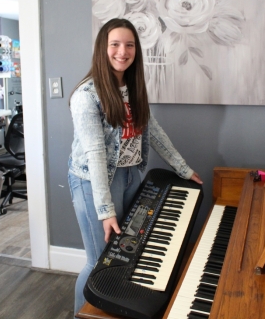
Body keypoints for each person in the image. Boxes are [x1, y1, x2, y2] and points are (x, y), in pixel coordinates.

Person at [68, 18, 203, 314]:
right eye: (115, 44)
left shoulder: (133, 88)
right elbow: (95, 154)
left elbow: (152, 131)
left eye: (129, 45)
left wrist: (183, 168)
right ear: (102, 49)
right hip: (94, 182)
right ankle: (81, 314)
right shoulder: (86, 96)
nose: (122, 51)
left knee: (123, 256)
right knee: (97, 261)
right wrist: (105, 210)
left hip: (131, 175)